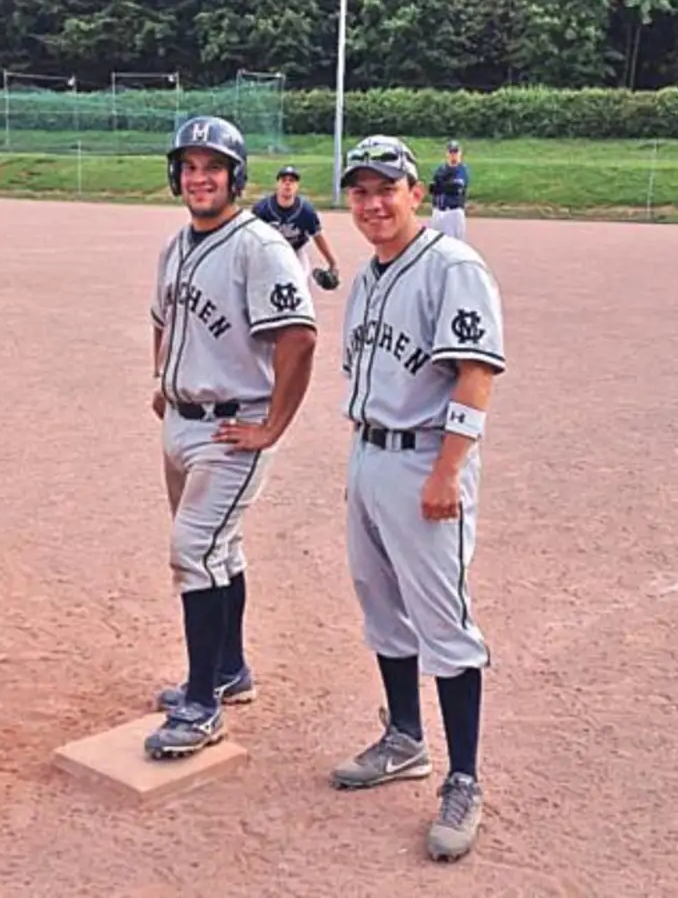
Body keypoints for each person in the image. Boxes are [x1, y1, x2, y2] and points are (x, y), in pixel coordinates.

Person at [329, 134, 506, 863]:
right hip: (369, 452)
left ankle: (464, 777)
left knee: (443, 621)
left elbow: (476, 374)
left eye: (387, 188)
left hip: (427, 460)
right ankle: (405, 738)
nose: (373, 202)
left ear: (416, 193)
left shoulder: (452, 266)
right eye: (361, 191)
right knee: (381, 605)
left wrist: (446, 472)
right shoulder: (372, 272)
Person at [144, 115, 319, 760]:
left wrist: (272, 424)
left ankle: (201, 703)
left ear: (235, 178)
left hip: (231, 425)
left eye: (211, 167)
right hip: (181, 422)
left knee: (193, 550)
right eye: (189, 167)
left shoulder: (260, 246)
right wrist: (162, 376)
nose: (198, 178)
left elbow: (298, 335)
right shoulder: (175, 246)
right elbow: (161, 316)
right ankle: (229, 670)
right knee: (221, 549)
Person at [251, 165, 342, 292]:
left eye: (292, 181)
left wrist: (332, 263)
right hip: (268, 253)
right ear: (277, 184)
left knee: (300, 283)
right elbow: (249, 237)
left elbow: (318, 236)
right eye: (284, 180)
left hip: (295, 251)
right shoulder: (262, 208)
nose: (287, 184)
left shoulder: (306, 211)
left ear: (297, 186)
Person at [426, 140, 470, 241]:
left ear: (460, 154)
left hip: (454, 213)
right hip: (438, 212)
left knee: (456, 245)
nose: (453, 155)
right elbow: (432, 189)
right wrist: (442, 185)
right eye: (451, 152)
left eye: (455, 152)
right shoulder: (440, 169)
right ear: (447, 153)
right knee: (435, 243)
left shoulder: (462, 170)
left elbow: (455, 188)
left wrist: (441, 185)